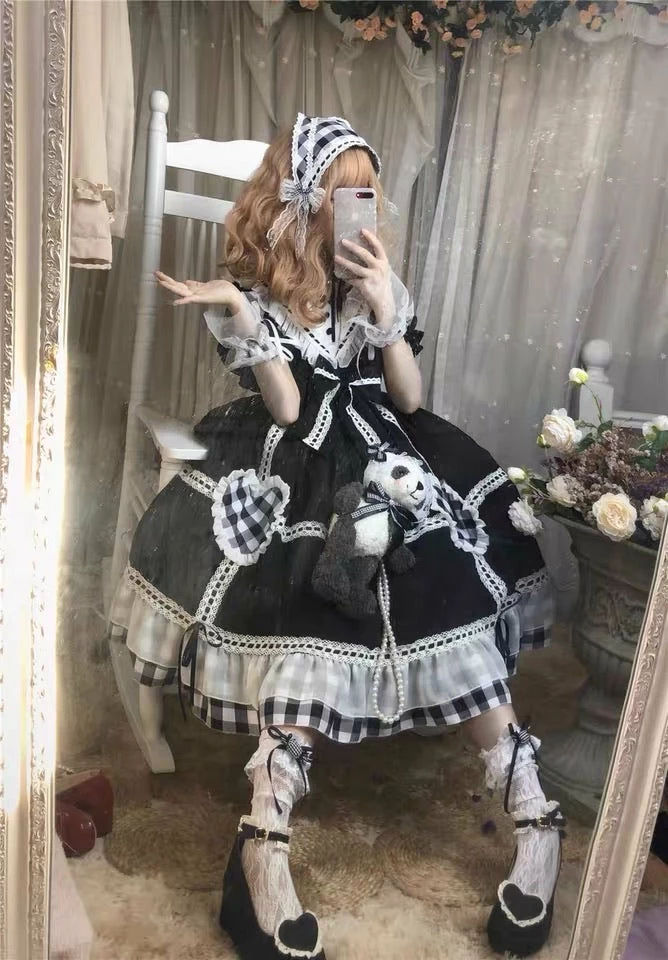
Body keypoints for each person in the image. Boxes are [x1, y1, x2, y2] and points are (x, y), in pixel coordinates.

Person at [112, 114, 564, 960]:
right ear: (300, 197)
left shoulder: (372, 279)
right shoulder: (257, 289)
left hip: (386, 446)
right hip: (295, 457)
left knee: (442, 573)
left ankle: (535, 813)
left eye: (367, 190)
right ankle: (264, 836)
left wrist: (386, 306)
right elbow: (286, 409)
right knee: (306, 595)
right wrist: (243, 317)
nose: (360, 205)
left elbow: (410, 399)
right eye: (341, 190)